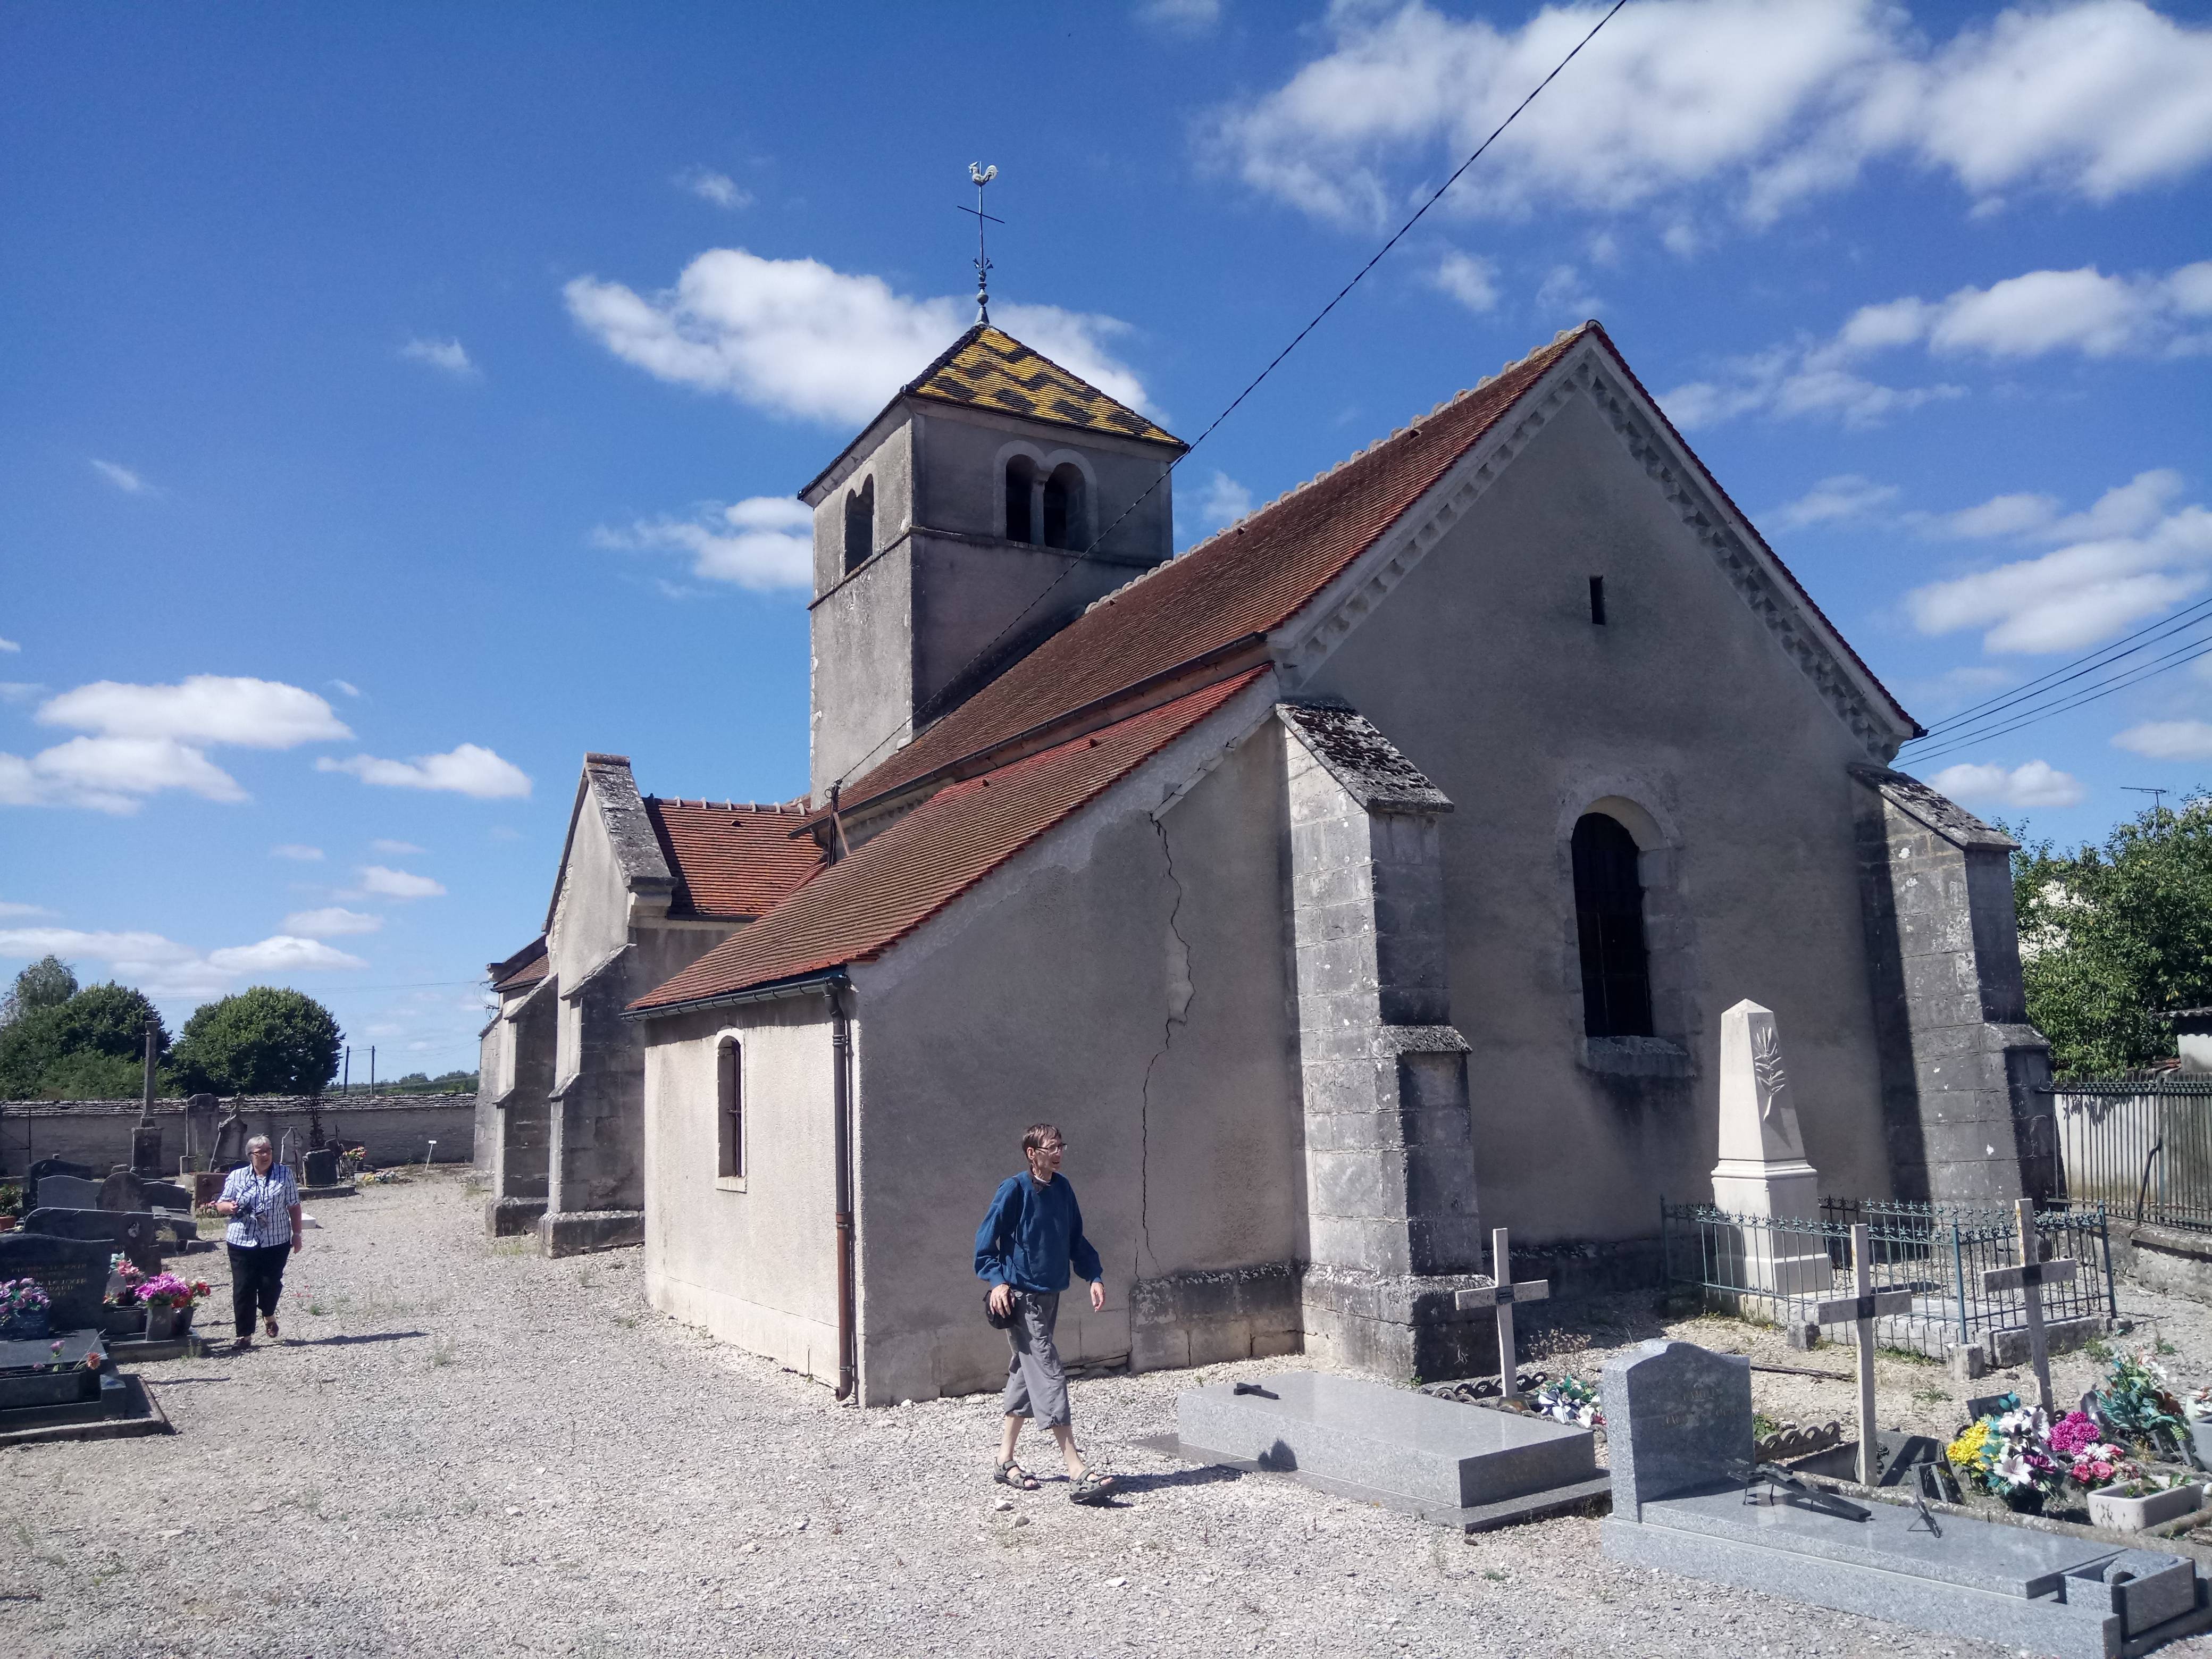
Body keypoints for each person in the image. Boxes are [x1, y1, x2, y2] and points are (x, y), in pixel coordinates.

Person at [974, 1122, 1116, 1504]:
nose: (1058, 1153)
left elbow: (1075, 1239)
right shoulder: (1014, 1189)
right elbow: (985, 1243)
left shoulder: (1063, 1189)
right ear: (1031, 1153)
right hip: (1021, 1299)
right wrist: (998, 1282)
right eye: (1050, 1147)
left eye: (1060, 1146)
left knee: (1026, 1372)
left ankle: (1004, 1460)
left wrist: (1094, 1276)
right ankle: (1077, 1470)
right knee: (1048, 1370)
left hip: (1051, 1294)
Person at [213, 1134, 302, 1351]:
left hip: (276, 1240)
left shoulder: (284, 1174)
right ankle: (244, 1335)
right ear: (250, 1155)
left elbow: (294, 1206)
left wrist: (297, 1234)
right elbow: (220, 1204)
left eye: (268, 1151)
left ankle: (268, 1314)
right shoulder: (237, 1176)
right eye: (260, 1152)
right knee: (244, 1287)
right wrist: (230, 1208)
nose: (265, 1155)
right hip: (241, 1240)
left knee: (270, 1284)